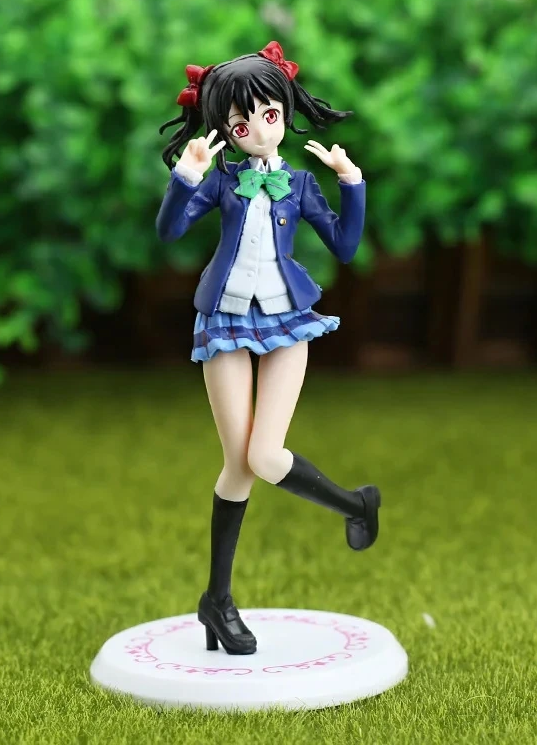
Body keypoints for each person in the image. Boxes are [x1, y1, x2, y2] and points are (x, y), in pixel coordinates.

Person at [157, 41, 380, 656]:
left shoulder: (299, 184)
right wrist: (186, 176)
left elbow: (344, 246)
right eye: (240, 123)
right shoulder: (222, 181)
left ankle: (355, 505)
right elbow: (170, 231)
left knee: (264, 454)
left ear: (285, 112)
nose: (257, 129)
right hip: (226, 320)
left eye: (270, 115)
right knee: (239, 464)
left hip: (286, 319)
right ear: (225, 129)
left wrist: (351, 183)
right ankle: (217, 600)